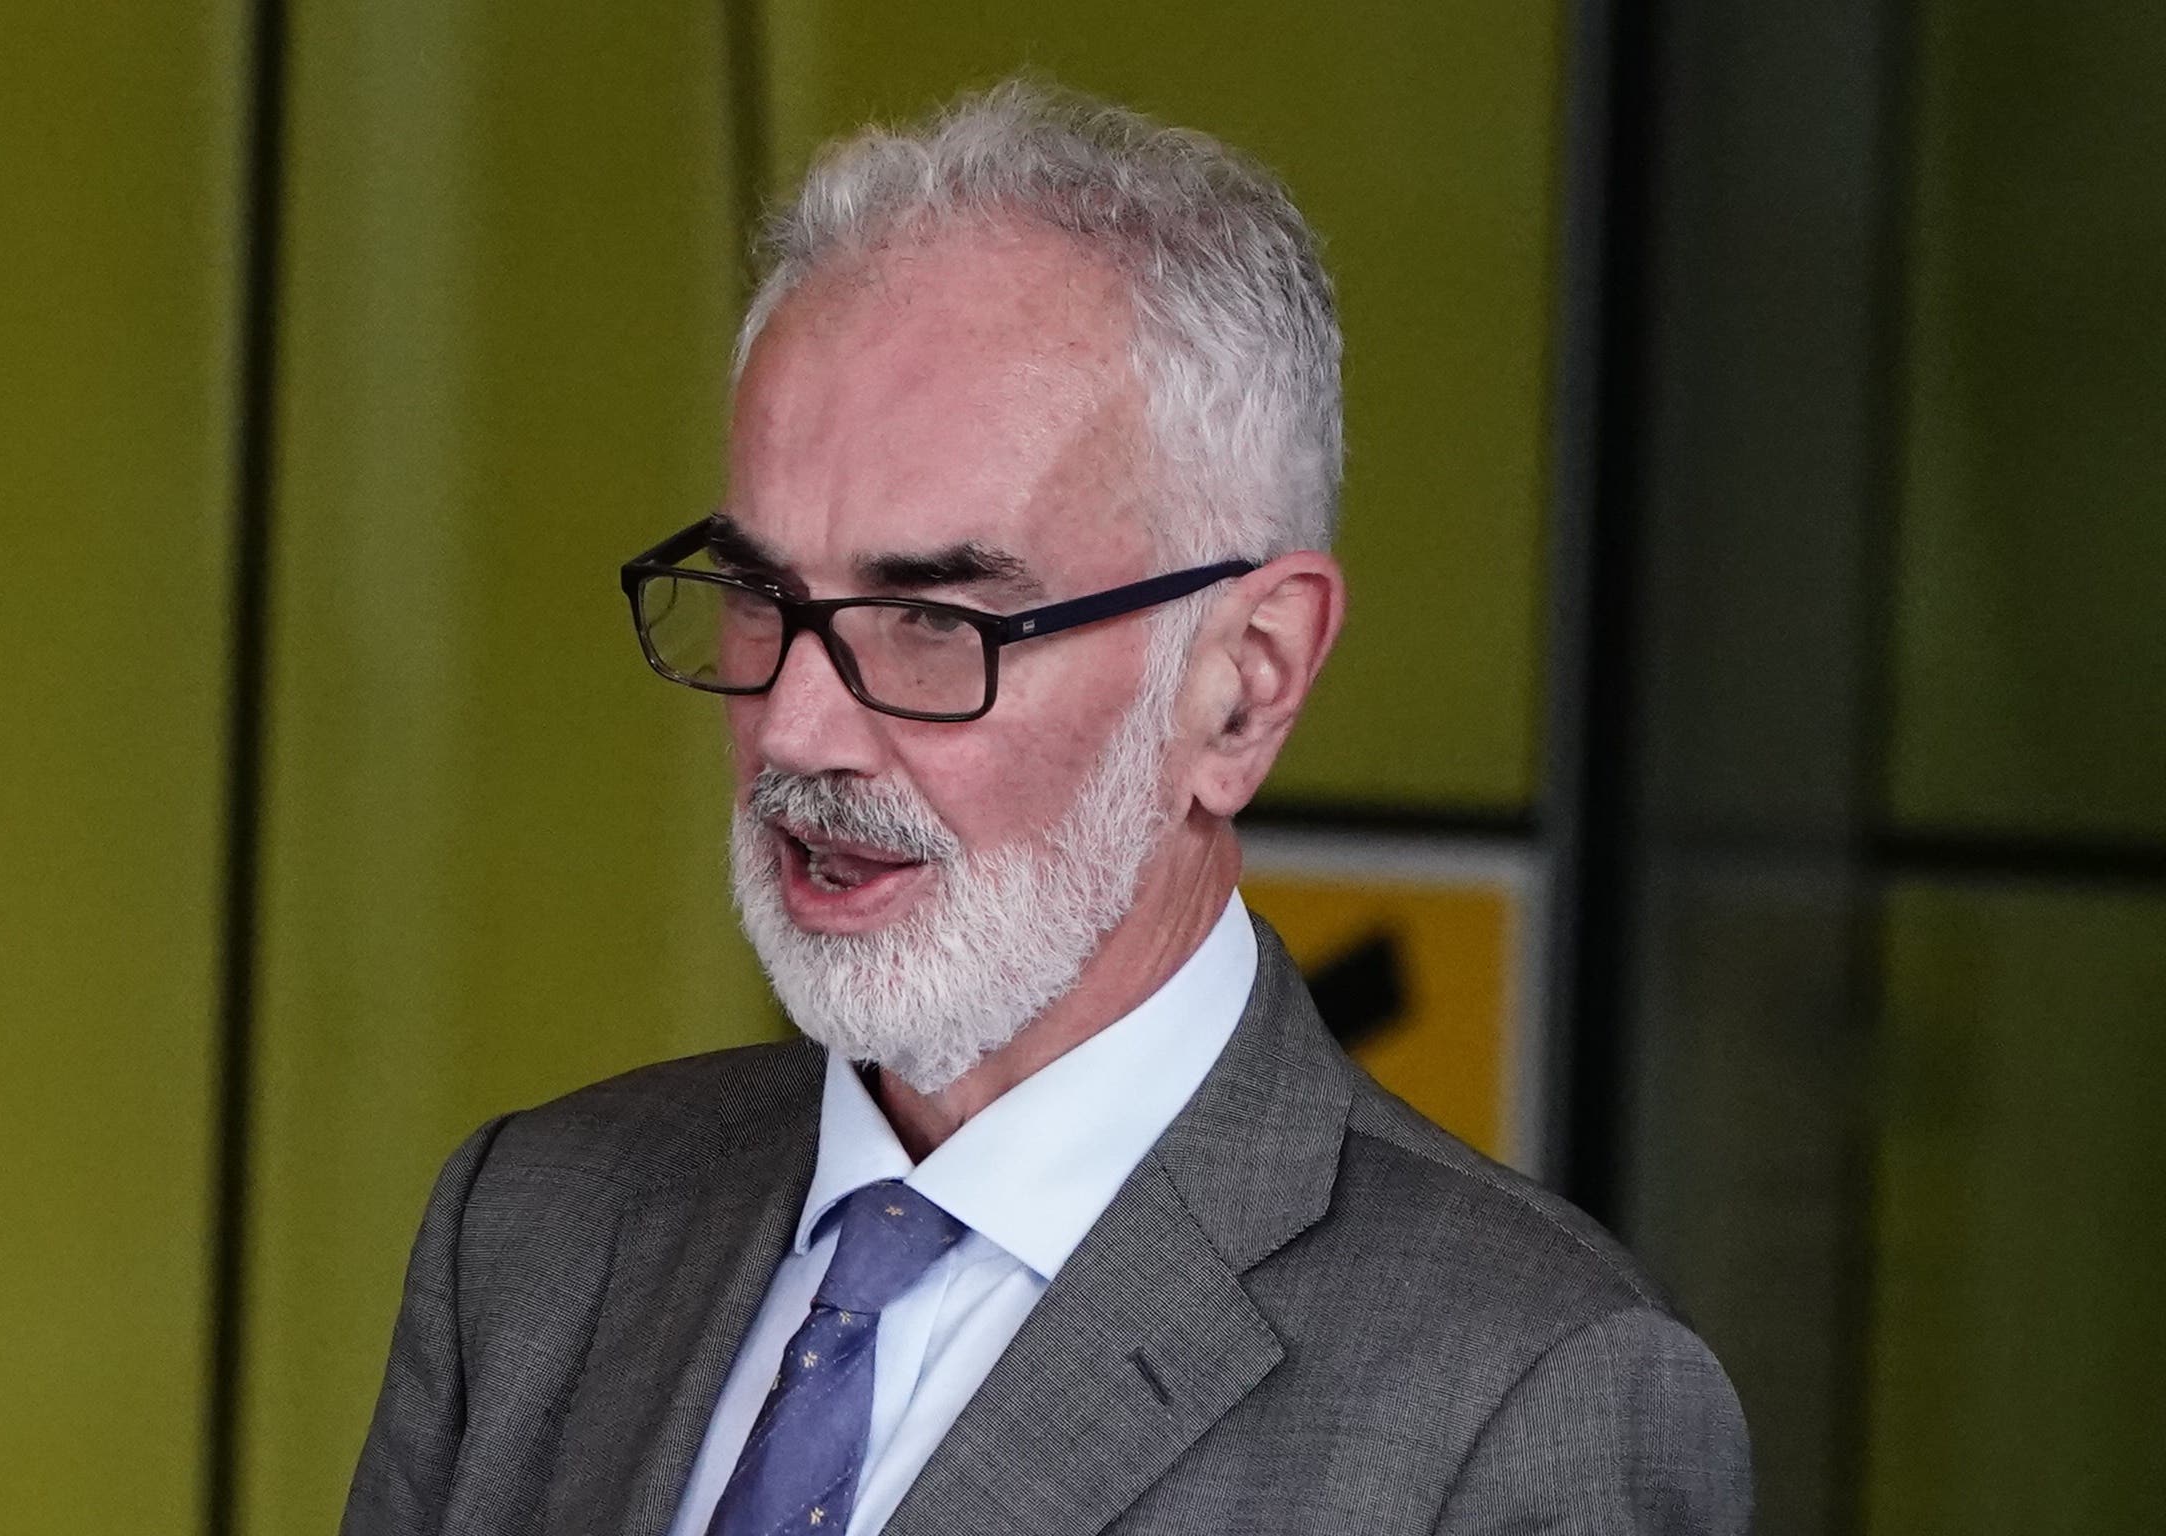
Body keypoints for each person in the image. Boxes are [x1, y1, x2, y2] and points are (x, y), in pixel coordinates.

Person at [342, 82, 1752, 1536]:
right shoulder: (534, 1233)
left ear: (1244, 687)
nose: (793, 724)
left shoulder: (1519, 1399)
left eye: (937, 618)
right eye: (762, 595)